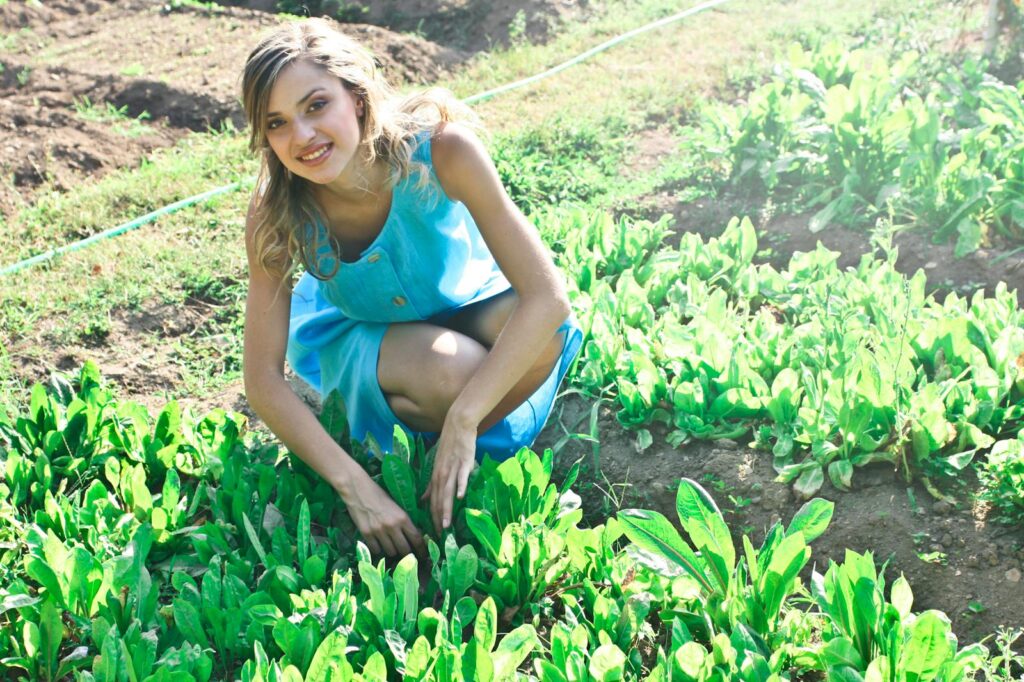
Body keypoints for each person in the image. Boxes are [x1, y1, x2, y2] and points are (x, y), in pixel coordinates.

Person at [240, 18, 582, 559]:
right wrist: (356, 487)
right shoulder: (276, 211)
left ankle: (445, 432)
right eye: (277, 123)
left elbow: (549, 299)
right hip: (364, 332)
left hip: (465, 302)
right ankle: (419, 423)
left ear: (356, 97)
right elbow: (261, 379)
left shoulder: (443, 151)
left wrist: (465, 420)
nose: (301, 137)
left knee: (546, 334)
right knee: (454, 373)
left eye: (315, 105)